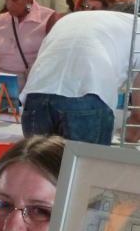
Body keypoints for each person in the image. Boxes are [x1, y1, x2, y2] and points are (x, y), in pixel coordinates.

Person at [21, 10, 140, 144]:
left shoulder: (75, 18)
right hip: (86, 93)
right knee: (86, 164)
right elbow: (138, 115)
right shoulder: (137, 28)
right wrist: (128, 139)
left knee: (40, 163)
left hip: (36, 93)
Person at [0, 0, 57, 89]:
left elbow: (53, 62)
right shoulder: (2, 19)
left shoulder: (48, 18)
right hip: (0, 88)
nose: (9, 5)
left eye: (15, 0)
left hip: (31, 89)